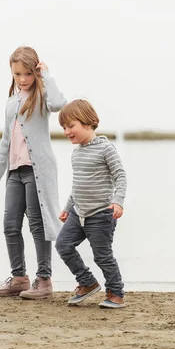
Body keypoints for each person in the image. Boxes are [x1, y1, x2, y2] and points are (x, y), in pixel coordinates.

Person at [0, 46, 66, 299]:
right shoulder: (11, 103)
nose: (23, 79)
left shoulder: (42, 97)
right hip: (14, 172)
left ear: (35, 73)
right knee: (10, 224)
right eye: (18, 74)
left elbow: (60, 104)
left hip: (37, 171)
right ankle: (19, 278)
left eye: (28, 74)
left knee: (38, 225)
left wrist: (47, 77)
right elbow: (5, 142)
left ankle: (44, 281)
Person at [55, 99, 127, 308]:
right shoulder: (76, 153)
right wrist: (68, 208)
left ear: (87, 122)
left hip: (101, 214)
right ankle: (86, 282)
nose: (67, 131)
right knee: (63, 245)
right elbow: (78, 186)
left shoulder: (105, 149)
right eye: (64, 128)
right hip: (79, 213)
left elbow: (120, 176)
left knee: (102, 256)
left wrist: (118, 202)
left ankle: (116, 293)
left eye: (71, 126)